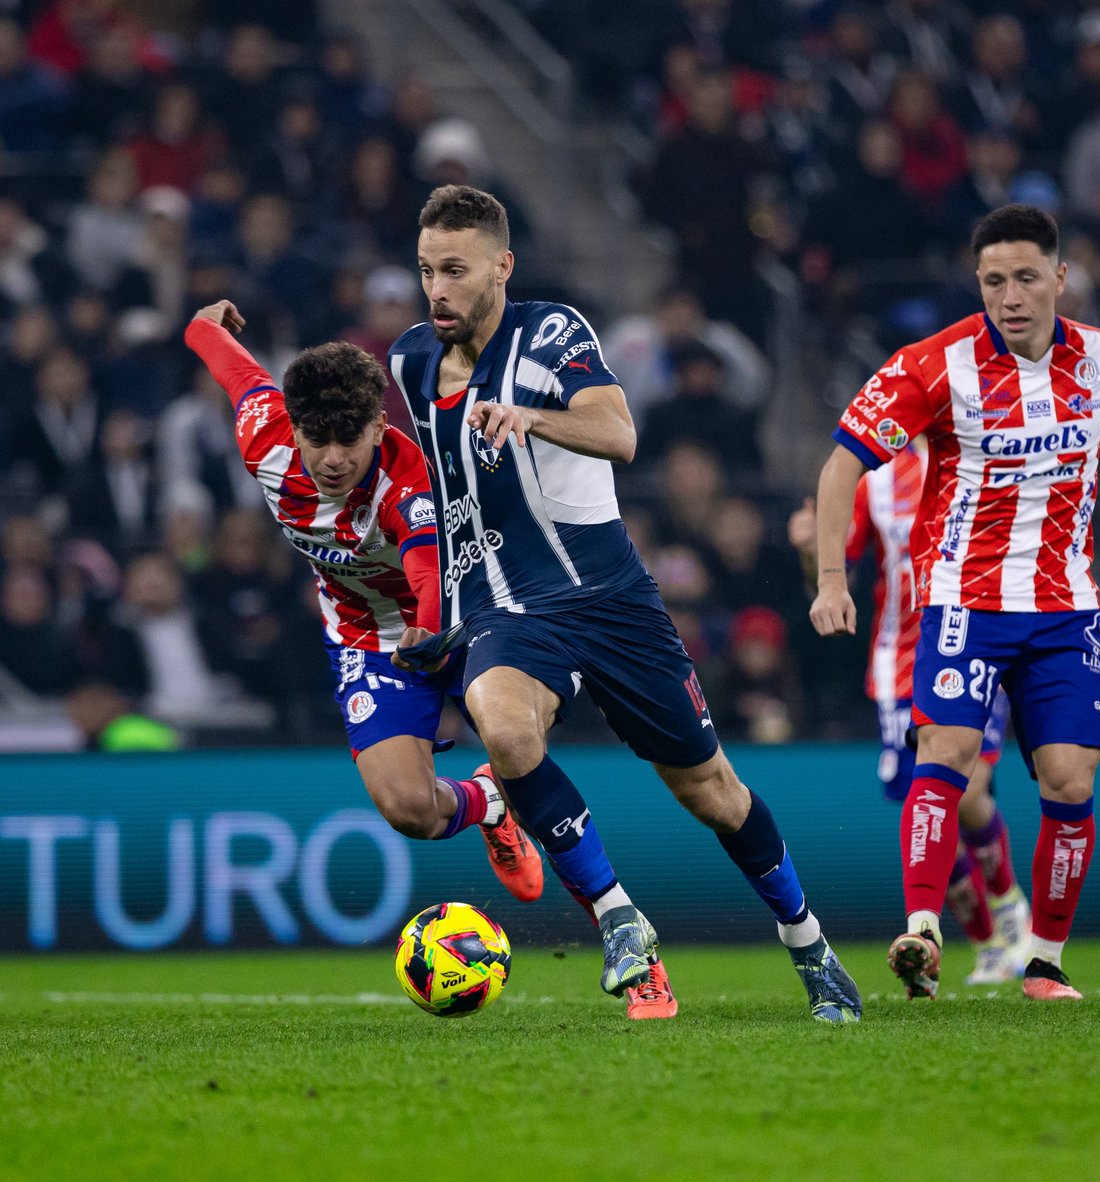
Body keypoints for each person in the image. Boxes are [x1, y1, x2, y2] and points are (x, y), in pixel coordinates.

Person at [388, 183, 861, 1023]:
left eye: (454, 270)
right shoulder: (411, 362)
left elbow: (620, 433)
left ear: (501, 266)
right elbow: (429, 486)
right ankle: (620, 921)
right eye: (426, 271)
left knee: (712, 790)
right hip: (508, 610)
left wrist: (529, 417)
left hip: (612, 600)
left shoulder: (551, 332)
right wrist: (429, 605)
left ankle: (808, 942)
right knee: (502, 727)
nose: (437, 290)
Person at [810, 203, 1100, 1001]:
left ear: (1059, 278)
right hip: (961, 601)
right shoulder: (933, 364)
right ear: (976, 283)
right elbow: (843, 461)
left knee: (1070, 780)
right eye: (992, 281)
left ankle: (1044, 963)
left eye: (1024, 278)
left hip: (1064, 609)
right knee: (944, 758)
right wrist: (833, 580)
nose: (1009, 296)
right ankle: (923, 929)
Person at [182, 298, 544, 908]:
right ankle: (488, 804)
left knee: (528, 733)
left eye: (348, 439)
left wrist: (427, 633)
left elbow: (429, 572)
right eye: (315, 439)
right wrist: (203, 321)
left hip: (460, 614)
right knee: (410, 811)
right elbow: (231, 367)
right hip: (364, 632)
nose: (332, 458)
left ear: (377, 425)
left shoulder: (405, 484)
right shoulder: (263, 437)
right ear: (291, 425)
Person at [791, 441, 1032, 986]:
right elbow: (835, 568)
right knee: (922, 808)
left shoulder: (986, 454)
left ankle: (1011, 904)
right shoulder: (877, 480)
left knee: (964, 789)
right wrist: (812, 548)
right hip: (901, 662)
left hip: (977, 643)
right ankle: (984, 943)